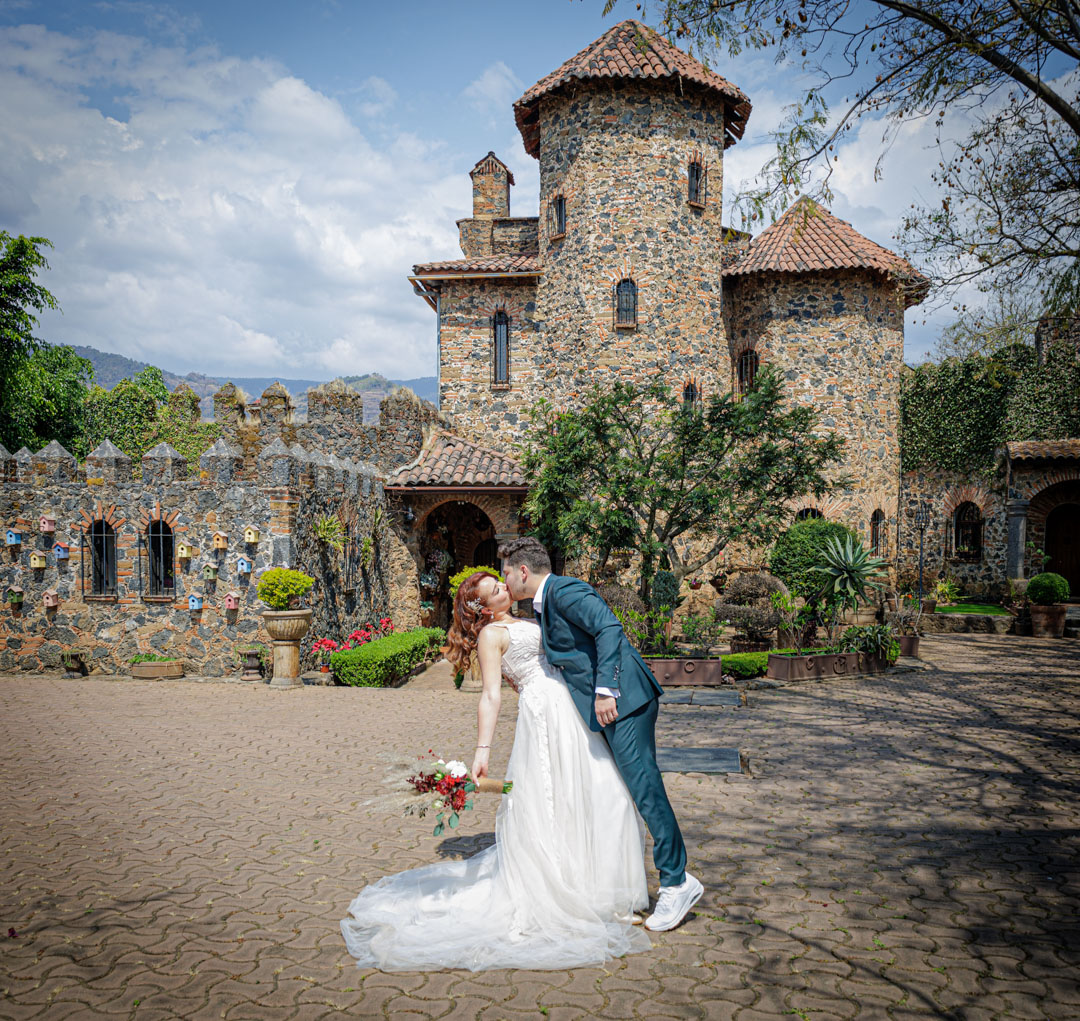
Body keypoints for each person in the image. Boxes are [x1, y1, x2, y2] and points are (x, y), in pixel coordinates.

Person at [340, 570, 651, 972]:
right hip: (544, 715)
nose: (506, 588)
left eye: (501, 584)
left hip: (571, 708)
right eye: (495, 590)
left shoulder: (527, 619)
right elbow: (490, 695)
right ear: (481, 608)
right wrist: (482, 750)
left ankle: (606, 892)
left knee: (604, 793)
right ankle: (576, 896)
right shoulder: (491, 636)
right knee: (554, 804)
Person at [498, 536, 703, 933]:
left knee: (644, 786)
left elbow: (610, 628)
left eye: (505, 572)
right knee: (628, 790)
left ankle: (677, 882)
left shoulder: (566, 590)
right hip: (610, 708)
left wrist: (606, 690)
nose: (504, 580)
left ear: (523, 571)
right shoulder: (543, 605)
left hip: (624, 701)